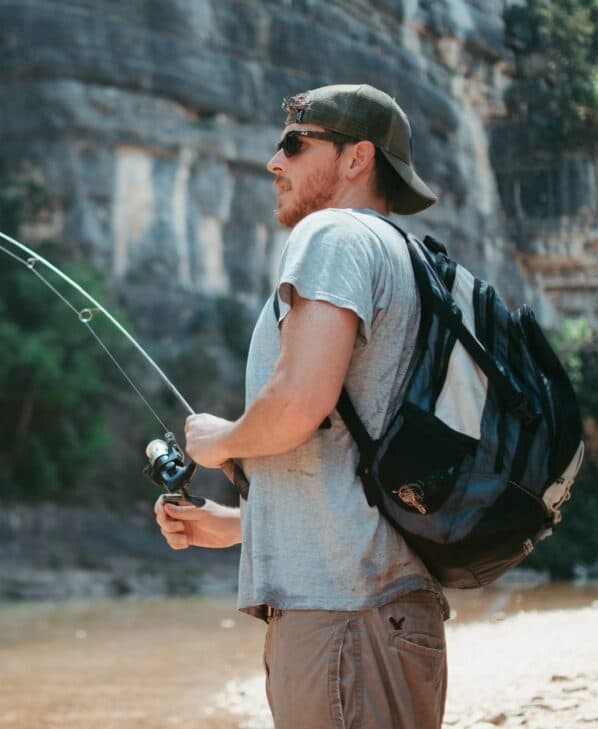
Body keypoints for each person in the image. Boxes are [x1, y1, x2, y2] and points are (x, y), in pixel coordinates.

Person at [154, 84, 449, 729]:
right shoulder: (404, 257)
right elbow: (355, 461)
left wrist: (221, 440)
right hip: (375, 615)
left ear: (356, 159)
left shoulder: (333, 234)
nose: (274, 162)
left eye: (295, 143)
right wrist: (235, 525)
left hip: (344, 619)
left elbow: (300, 405)